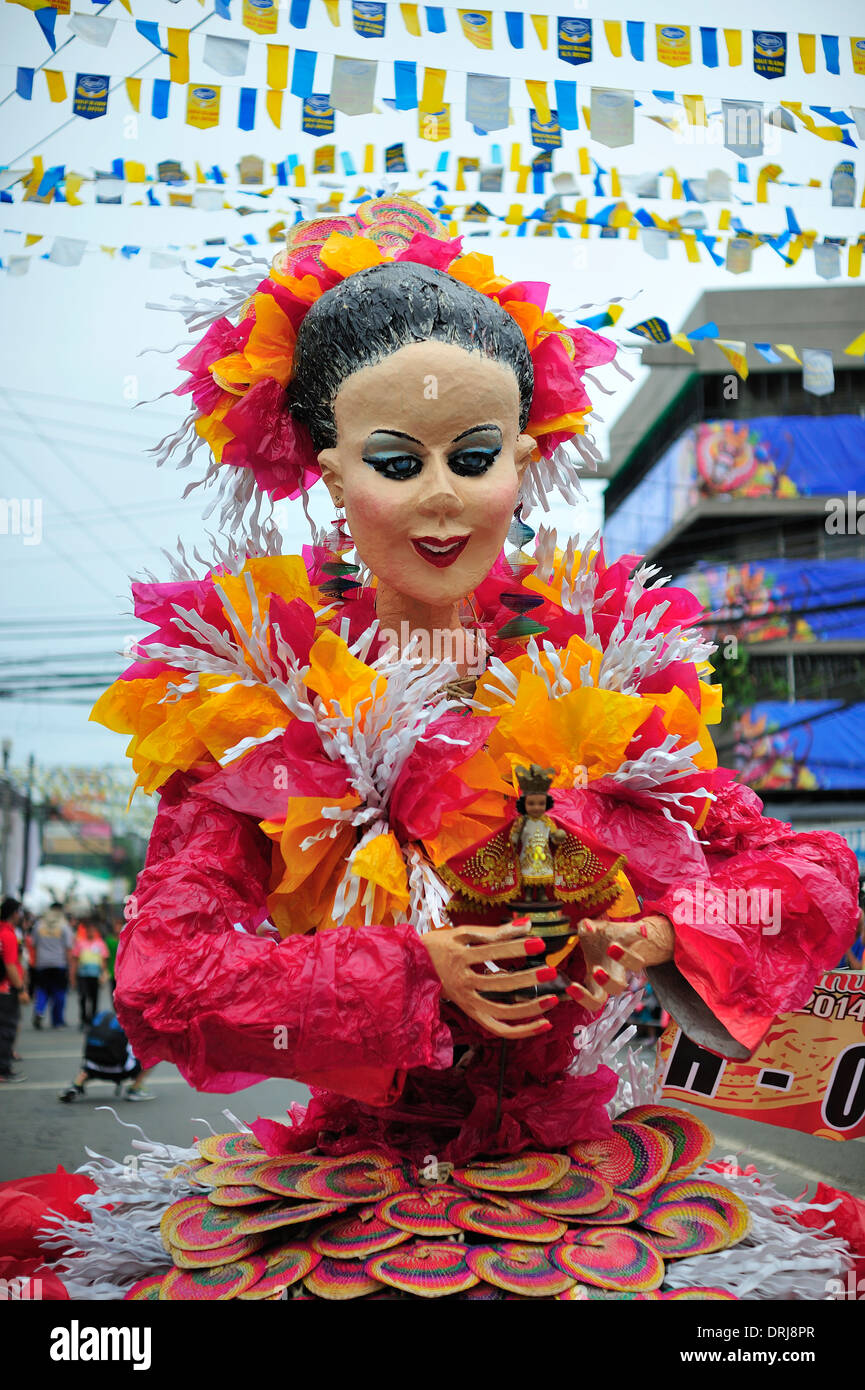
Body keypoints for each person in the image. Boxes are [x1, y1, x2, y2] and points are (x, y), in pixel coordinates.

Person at [40, 199, 862, 1297]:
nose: (439, 496)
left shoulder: (606, 670)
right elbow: (161, 978)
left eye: (473, 457)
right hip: (343, 1195)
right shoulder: (252, 695)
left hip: (583, 1181)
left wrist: (666, 932)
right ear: (331, 470)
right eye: (396, 458)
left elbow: (803, 877)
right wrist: (412, 970)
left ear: (521, 461)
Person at [59, 1008, 154, 1103]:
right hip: (120, 1071)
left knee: (95, 1058)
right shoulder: (132, 1023)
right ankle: (134, 1089)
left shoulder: (102, 1016)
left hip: (92, 1069)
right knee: (154, 1052)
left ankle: (76, 1085)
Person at [0, 896, 28, 1083]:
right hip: (6, 989)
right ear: (14, 913)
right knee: (7, 1030)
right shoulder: (8, 935)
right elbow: (10, 965)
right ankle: (3, 1069)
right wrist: (21, 989)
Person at [31, 902, 73, 1029]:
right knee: (59, 993)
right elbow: (68, 948)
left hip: (42, 963)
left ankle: (39, 1011)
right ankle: (57, 1020)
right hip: (59, 963)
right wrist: (70, 967)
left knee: (42, 990)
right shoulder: (64, 926)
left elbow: (34, 944)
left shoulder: (39, 925)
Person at [70, 920, 109, 1029]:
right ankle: (84, 1019)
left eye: (93, 930)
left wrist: (103, 974)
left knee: (94, 998)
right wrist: (72, 976)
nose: (90, 932)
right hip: (83, 975)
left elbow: (104, 960)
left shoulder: (100, 944)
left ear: (95, 931)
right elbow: (75, 960)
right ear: (86, 931)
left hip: (95, 975)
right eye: (89, 930)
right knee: (83, 997)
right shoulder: (80, 943)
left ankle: (93, 1019)